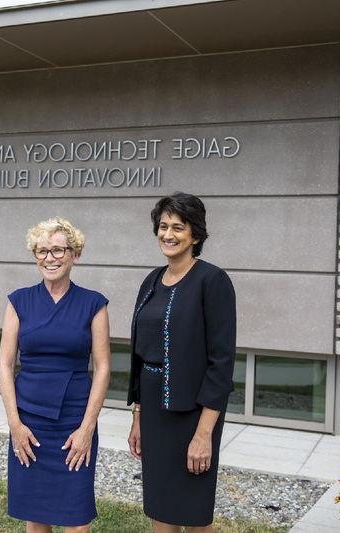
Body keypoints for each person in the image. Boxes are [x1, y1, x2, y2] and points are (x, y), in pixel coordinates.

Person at [127, 192, 236, 532]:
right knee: (162, 503)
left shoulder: (212, 281)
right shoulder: (151, 281)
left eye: (178, 227)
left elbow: (221, 362)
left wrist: (204, 434)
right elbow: (141, 353)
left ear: (196, 235)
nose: (168, 234)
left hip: (194, 414)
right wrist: (138, 416)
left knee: (192, 509)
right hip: (156, 412)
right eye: (163, 226)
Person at [0, 217, 111, 532]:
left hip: (74, 423)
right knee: (37, 515)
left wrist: (87, 428)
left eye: (58, 250)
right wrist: (15, 425)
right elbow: (5, 365)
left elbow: (102, 367)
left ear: (74, 255)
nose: (50, 257)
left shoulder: (94, 304)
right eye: (42, 250)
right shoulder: (18, 301)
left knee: (77, 520)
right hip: (29, 423)